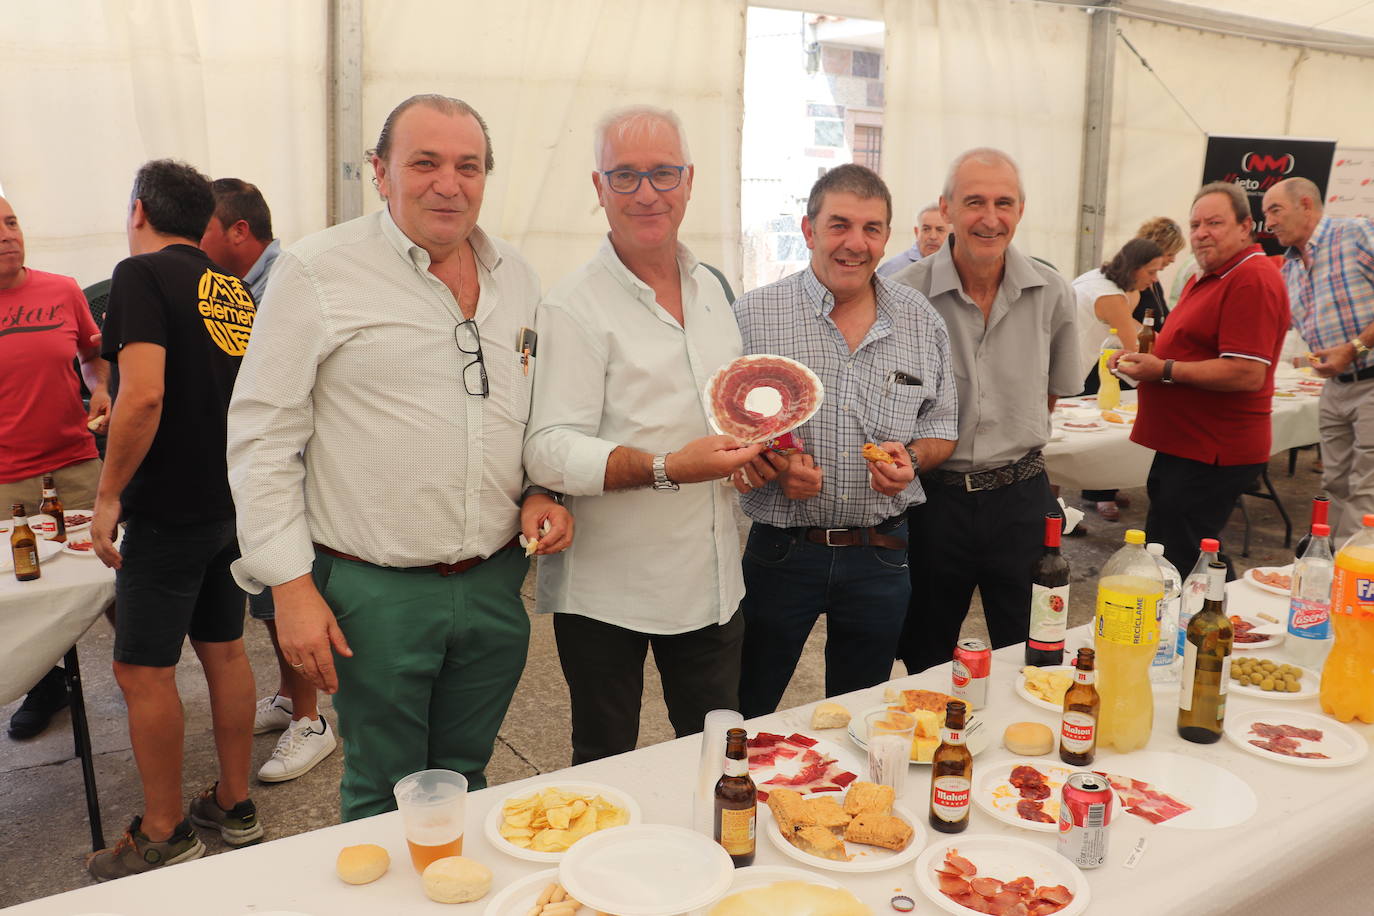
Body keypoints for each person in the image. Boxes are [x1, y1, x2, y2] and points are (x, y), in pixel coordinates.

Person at [227, 95, 571, 820]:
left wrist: (544, 490)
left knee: (466, 782)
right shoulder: (320, 271)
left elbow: (527, 410)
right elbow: (262, 435)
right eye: (426, 162)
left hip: (493, 583)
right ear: (379, 173)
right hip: (374, 594)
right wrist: (289, 587)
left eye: (468, 166)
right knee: (384, 792)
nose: (449, 183)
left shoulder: (520, 277)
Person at [523, 106, 761, 764]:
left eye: (663, 173)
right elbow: (547, 446)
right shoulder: (573, 306)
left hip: (712, 583)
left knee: (716, 759)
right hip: (610, 594)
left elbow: (722, 416)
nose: (648, 193)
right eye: (625, 176)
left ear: (689, 182)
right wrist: (666, 466)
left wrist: (751, 458)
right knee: (605, 764)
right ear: (598, 188)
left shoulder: (713, 288)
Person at [729, 165, 958, 716]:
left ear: (886, 237)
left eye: (871, 229)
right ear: (809, 231)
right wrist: (775, 461)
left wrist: (913, 458)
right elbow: (725, 426)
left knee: (861, 715)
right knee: (747, 706)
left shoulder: (918, 319)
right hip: (783, 549)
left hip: (881, 555)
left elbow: (942, 427)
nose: (855, 243)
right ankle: (735, 795)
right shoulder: (755, 316)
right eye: (839, 225)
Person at [86, 160, 261, 880]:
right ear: (208, 223)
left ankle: (164, 830)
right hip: (231, 504)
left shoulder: (141, 277)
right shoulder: (232, 290)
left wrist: (107, 495)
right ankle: (235, 802)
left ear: (138, 211)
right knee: (225, 651)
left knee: (139, 669)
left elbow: (144, 395)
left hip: (169, 512)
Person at [891, 148, 1080, 675]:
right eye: (974, 202)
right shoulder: (902, 296)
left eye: (1004, 203)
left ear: (1021, 210)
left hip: (1021, 499)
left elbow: (1054, 392)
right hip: (932, 502)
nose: (990, 218)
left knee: (1035, 651)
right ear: (947, 208)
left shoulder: (1052, 292)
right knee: (924, 652)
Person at [201, 178, 335, 782]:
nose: (193, 243)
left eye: (201, 228)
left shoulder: (286, 282)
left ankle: (311, 718)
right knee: (267, 601)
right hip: (262, 475)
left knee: (286, 596)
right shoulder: (238, 288)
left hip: (294, 477)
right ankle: (289, 698)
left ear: (238, 232)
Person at [1114, 181, 1289, 577]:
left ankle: (1213, 630)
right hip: (1187, 445)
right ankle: (1201, 628)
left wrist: (1164, 370)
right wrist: (1145, 357)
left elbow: (1247, 372)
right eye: (1195, 224)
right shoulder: (1208, 275)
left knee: (1184, 558)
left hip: (1212, 449)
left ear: (1246, 226)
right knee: (1177, 554)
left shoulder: (1251, 278)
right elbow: (1188, 346)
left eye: (1214, 222)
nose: (1201, 233)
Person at [0, 195, 109, 740]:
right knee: (29, 587)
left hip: (74, 462)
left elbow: (92, 357)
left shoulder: (62, 289)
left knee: (110, 573)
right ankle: (46, 685)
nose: (6, 234)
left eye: (11, 221)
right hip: (7, 478)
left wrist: (101, 391)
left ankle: (142, 671)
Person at [1264, 176, 1374, 541]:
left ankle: (1349, 580)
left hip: (1370, 379)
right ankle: (1336, 565)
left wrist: (1354, 347)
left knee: (1365, 489)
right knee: (1336, 483)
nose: (1270, 222)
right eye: (1266, 214)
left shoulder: (1355, 233)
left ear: (1307, 204)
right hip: (1333, 388)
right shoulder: (1291, 267)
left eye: (1276, 210)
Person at [1072, 238, 1165, 521]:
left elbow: (1136, 329)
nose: (1155, 279)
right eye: (1151, 272)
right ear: (1135, 268)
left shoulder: (1105, 280)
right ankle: (1053, 517)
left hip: (1073, 361)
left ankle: (1057, 515)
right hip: (1069, 365)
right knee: (1058, 449)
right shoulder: (1110, 296)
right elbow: (1136, 346)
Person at [201, 178, 281, 302]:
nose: (192, 238)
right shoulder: (218, 281)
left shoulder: (283, 284)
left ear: (239, 232)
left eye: (201, 228)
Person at [1130, 216, 1186, 329]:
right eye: (1170, 254)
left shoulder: (1153, 281)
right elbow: (1125, 322)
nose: (1173, 260)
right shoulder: (1132, 281)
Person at [876, 202, 949, 277]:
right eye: (926, 229)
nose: (933, 236)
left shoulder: (955, 267)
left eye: (940, 230)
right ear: (916, 232)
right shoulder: (893, 269)